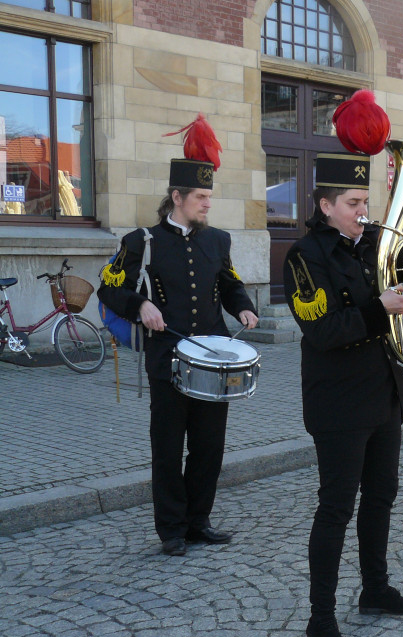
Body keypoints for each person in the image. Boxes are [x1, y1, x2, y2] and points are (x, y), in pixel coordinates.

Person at [282, 91, 403, 637]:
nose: (364, 210)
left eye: (365, 201)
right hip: (337, 401)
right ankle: (320, 618)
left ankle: (375, 590)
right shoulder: (304, 256)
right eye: (354, 202)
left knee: (382, 495)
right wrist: (381, 308)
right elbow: (323, 331)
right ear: (326, 203)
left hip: (383, 393)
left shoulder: (378, 243)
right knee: (337, 506)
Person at [97, 116, 259, 558]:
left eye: (209, 197)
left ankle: (198, 521)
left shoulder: (218, 240)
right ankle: (171, 528)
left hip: (214, 356)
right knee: (168, 448)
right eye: (201, 197)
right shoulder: (141, 241)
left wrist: (244, 307)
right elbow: (109, 287)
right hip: (167, 357)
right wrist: (139, 305)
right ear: (177, 197)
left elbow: (230, 283)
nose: (208, 204)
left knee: (209, 447)